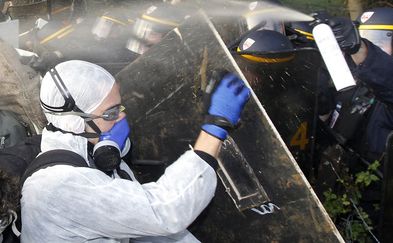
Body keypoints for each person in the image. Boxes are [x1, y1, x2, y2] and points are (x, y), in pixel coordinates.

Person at [19, 60, 250, 242]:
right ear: (75, 123)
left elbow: (143, 229)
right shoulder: (60, 186)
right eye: (110, 114)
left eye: (120, 107)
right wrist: (215, 127)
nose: (121, 118)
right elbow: (166, 210)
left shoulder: (85, 155)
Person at [323, 7, 393, 164]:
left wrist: (360, 48)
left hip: (383, 183)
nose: (371, 46)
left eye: (379, 42)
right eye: (364, 39)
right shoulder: (358, 81)